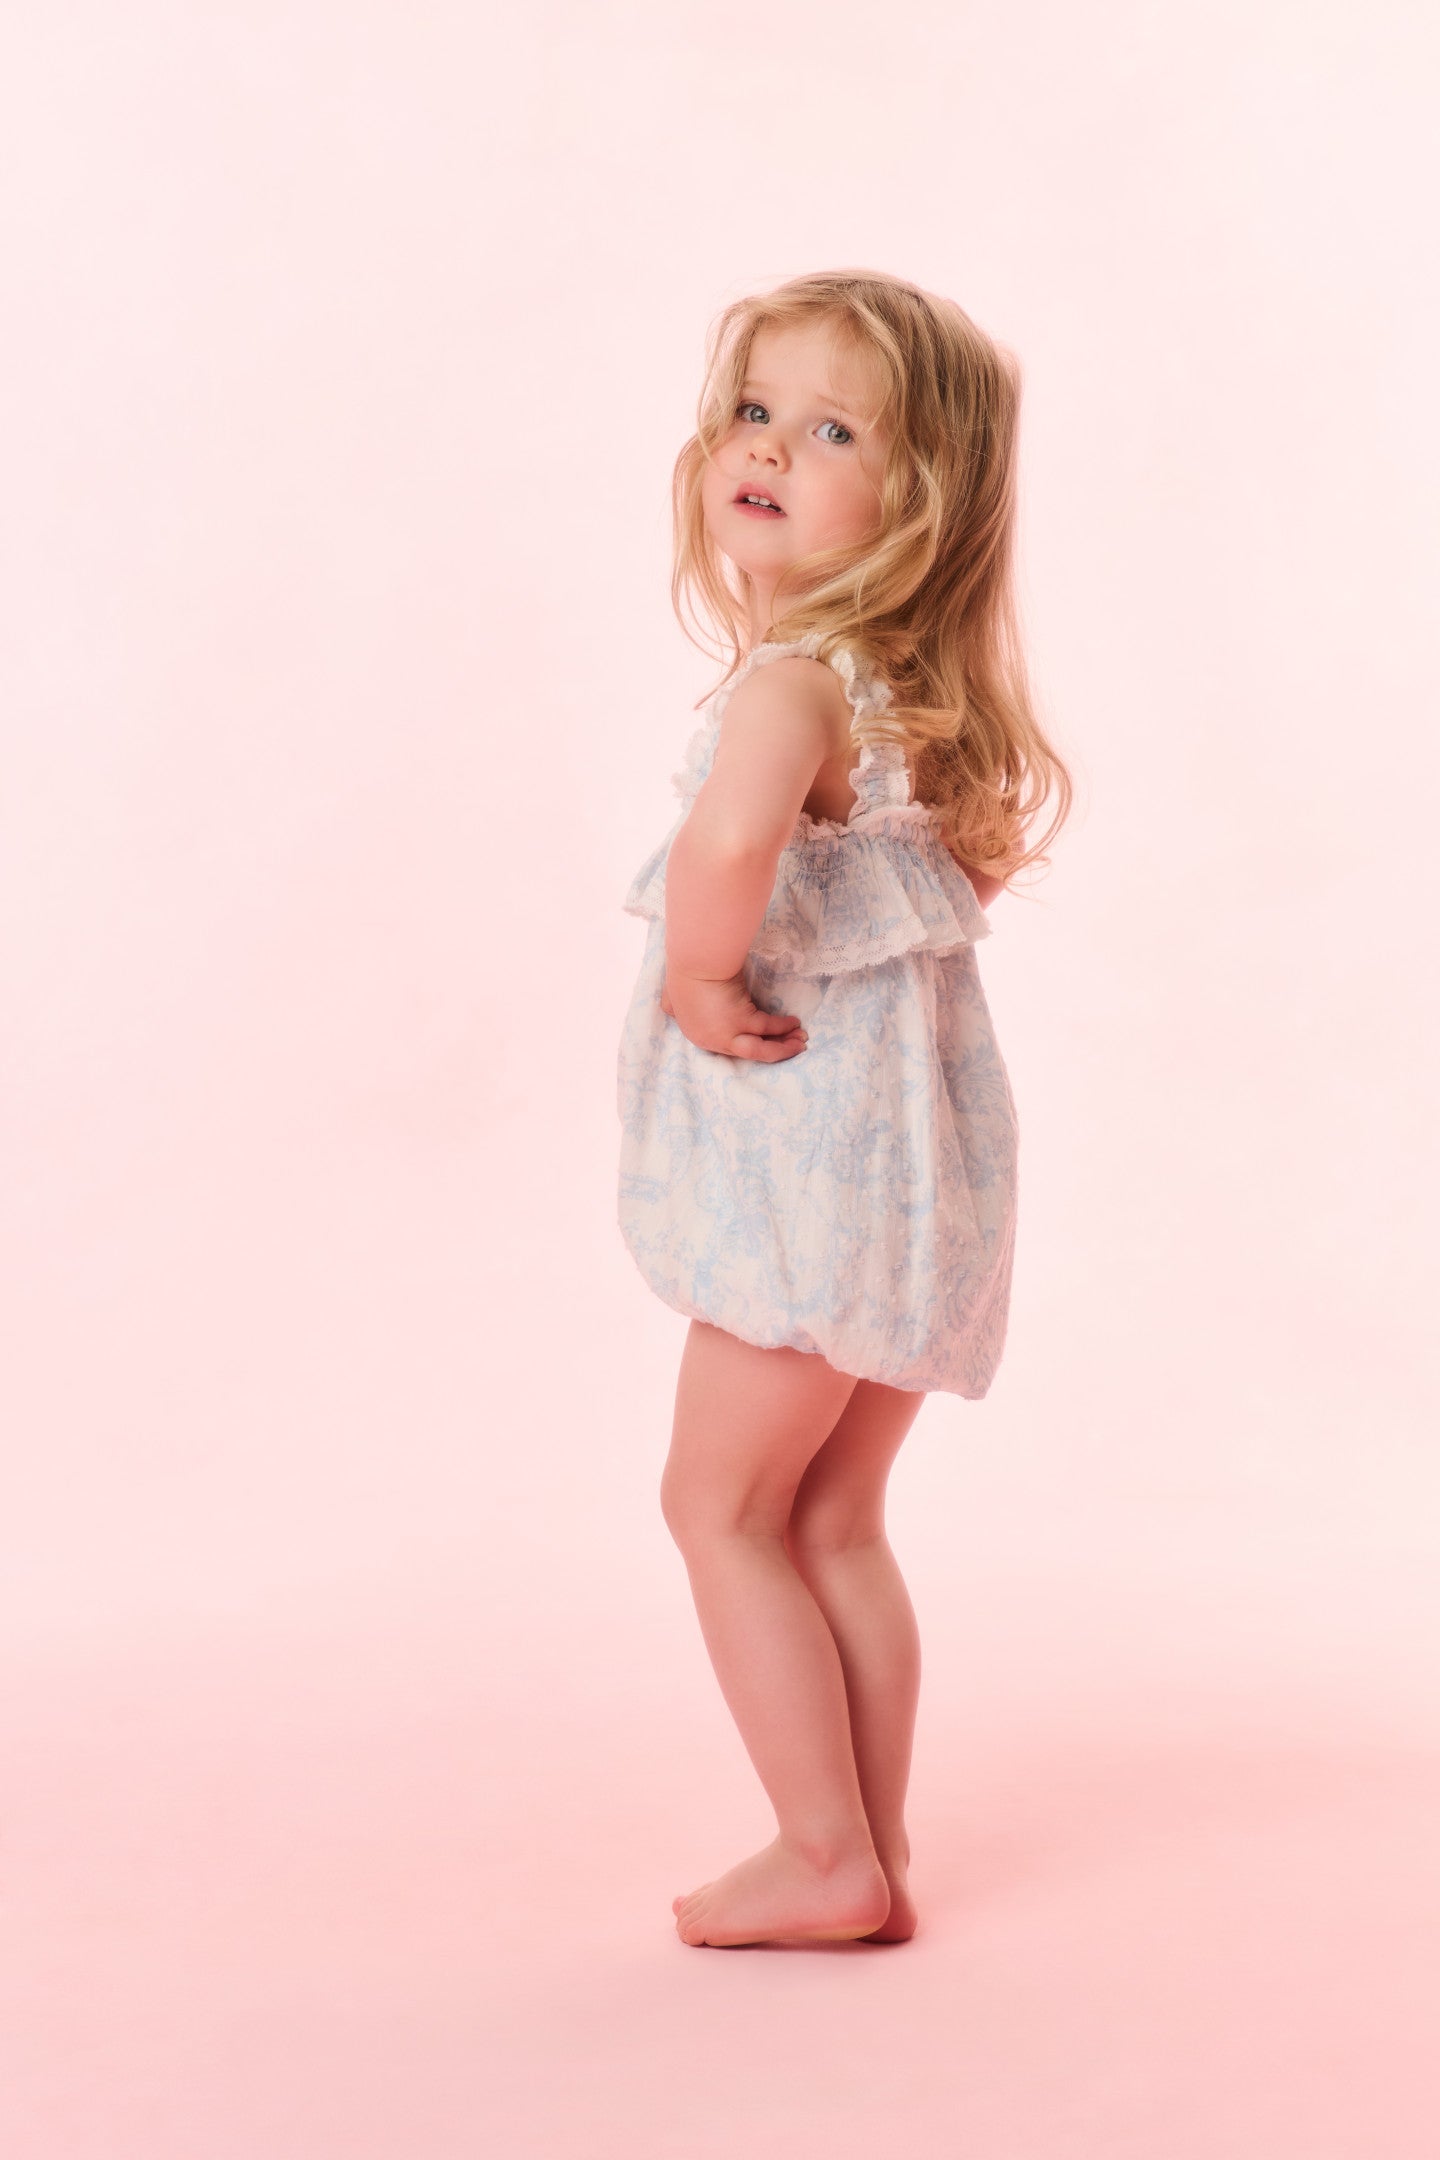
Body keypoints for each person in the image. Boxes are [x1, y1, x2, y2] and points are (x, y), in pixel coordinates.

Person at [615, 269, 1073, 1949]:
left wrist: (698, 977)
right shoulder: (915, 706)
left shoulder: (791, 688)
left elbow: (733, 845)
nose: (766, 449)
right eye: (754, 412)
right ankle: (866, 1850)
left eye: (829, 432)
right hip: (922, 1197)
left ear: (920, 501)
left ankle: (823, 1855)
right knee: (833, 1518)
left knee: (720, 1507)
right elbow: (935, 908)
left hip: (805, 1192)